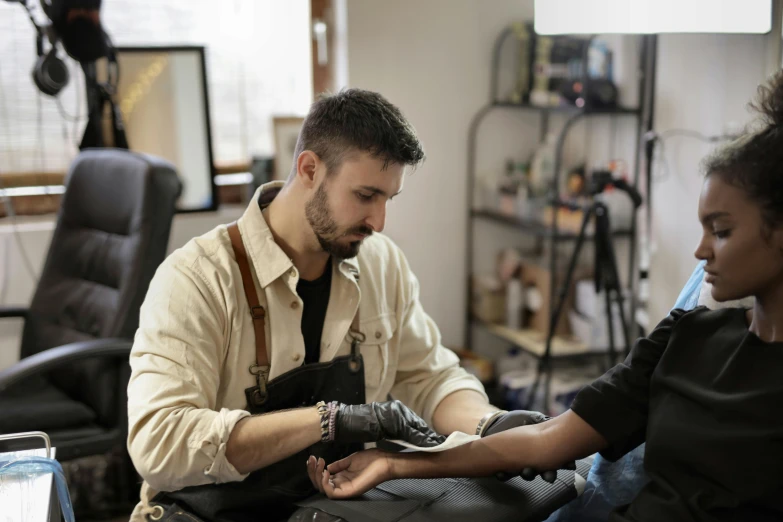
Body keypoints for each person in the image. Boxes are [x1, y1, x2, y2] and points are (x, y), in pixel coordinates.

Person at [310, 74, 783, 522]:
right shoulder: (686, 337)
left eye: (720, 232)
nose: (700, 252)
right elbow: (548, 439)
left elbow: (431, 375)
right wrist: (396, 463)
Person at [127, 88, 556, 522]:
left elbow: (430, 376)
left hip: (328, 508)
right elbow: (159, 444)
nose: (379, 222)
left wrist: (488, 425)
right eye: (366, 195)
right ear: (310, 169)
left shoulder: (381, 263)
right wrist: (332, 420)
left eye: (389, 199)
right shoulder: (197, 280)